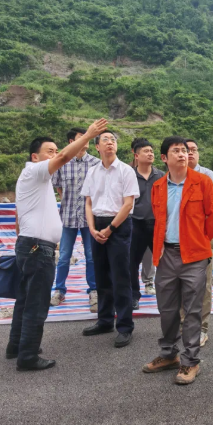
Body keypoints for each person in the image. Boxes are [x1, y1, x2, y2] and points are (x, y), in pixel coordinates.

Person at [8, 118, 108, 371]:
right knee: (36, 303)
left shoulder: (33, 178)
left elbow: (19, 216)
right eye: (49, 152)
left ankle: (17, 346)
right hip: (37, 248)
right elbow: (64, 157)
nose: (55, 155)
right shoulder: (35, 171)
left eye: (55, 151)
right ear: (35, 157)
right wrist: (88, 136)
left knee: (25, 299)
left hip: (29, 244)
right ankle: (28, 356)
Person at [142, 136, 213, 385]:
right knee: (167, 309)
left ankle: (190, 361)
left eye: (184, 150)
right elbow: (158, 219)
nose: (182, 154)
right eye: (176, 151)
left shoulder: (202, 182)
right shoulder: (158, 186)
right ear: (164, 158)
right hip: (166, 254)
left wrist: (200, 239)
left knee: (192, 311)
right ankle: (169, 355)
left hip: (195, 255)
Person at [80, 130, 140, 348]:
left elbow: (128, 204)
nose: (110, 142)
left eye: (113, 140)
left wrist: (110, 229)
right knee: (101, 275)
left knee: (120, 276)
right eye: (105, 140)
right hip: (97, 224)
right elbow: (88, 202)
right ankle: (105, 320)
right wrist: (92, 228)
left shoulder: (126, 171)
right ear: (97, 147)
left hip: (119, 225)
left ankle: (125, 326)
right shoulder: (92, 171)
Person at [50, 128, 101, 312]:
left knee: (91, 256)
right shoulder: (63, 162)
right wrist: (67, 200)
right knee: (64, 257)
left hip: (90, 219)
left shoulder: (96, 163)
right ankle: (59, 290)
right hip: (68, 217)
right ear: (72, 141)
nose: (86, 140)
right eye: (82, 137)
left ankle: (94, 291)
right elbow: (58, 186)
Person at [184, 138, 213, 347]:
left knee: (203, 283)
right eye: (186, 150)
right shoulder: (172, 176)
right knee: (180, 283)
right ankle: (184, 324)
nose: (190, 153)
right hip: (178, 238)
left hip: (202, 237)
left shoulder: (207, 175)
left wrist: (206, 235)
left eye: (194, 150)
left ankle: (202, 328)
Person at [130, 138, 165, 309]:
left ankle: (166, 295)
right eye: (146, 151)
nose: (150, 154)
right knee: (131, 262)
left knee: (164, 262)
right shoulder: (129, 175)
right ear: (136, 156)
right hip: (134, 224)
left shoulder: (161, 176)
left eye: (151, 151)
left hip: (156, 224)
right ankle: (133, 296)